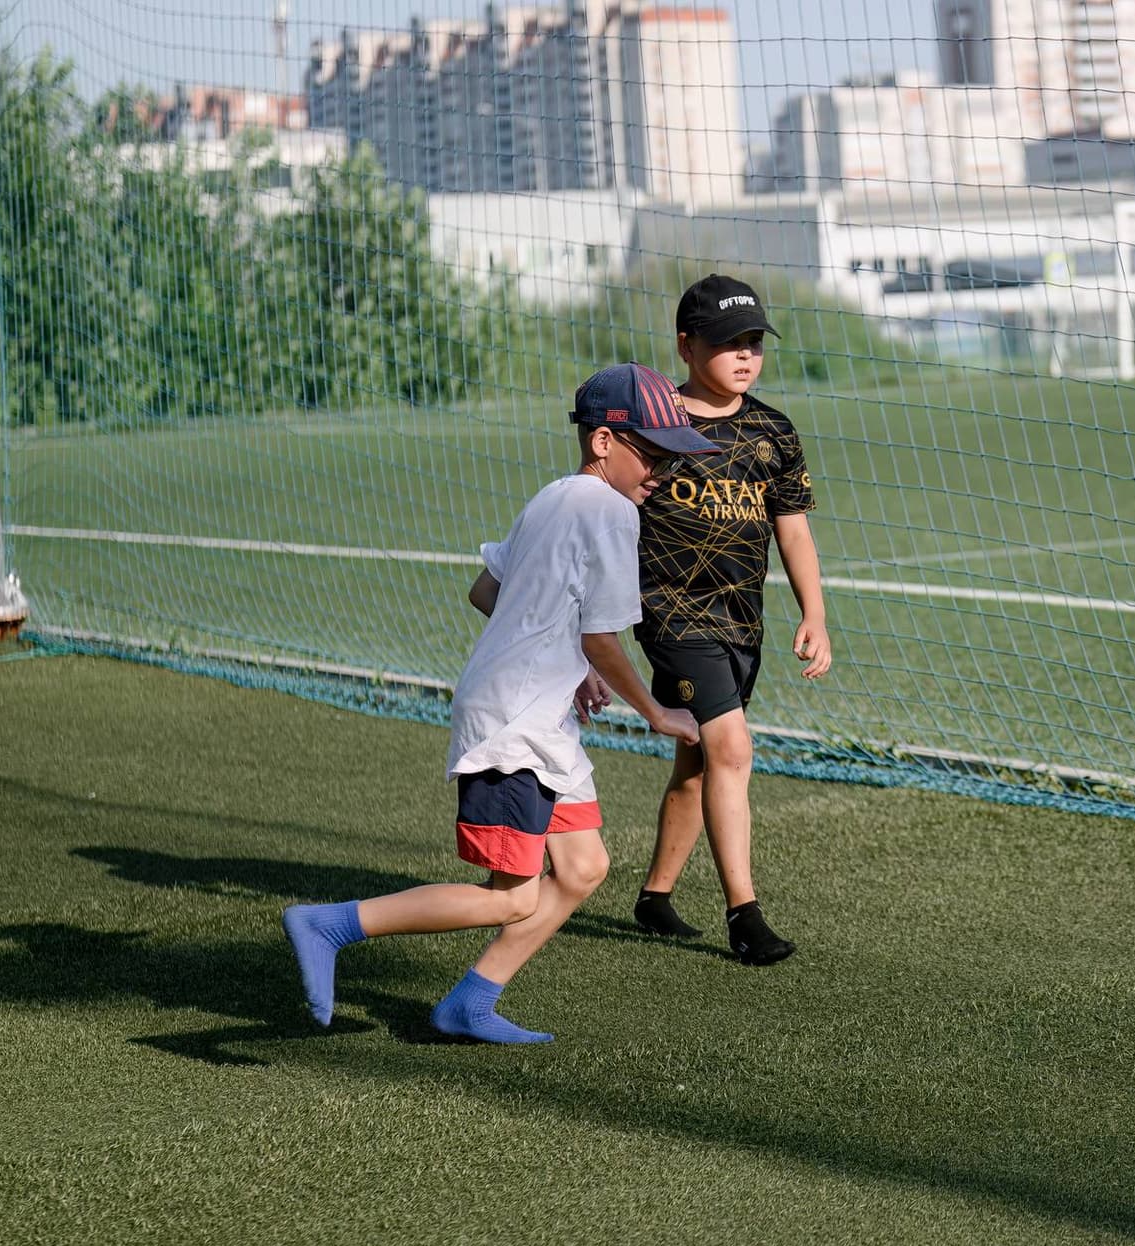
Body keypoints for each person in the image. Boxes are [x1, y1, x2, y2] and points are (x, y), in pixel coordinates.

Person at [283, 363, 719, 1043]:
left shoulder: (554, 496)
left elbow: (487, 592)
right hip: (514, 724)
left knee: (584, 867)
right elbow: (600, 636)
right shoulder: (611, 511)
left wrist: (560, 662)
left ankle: (469, 1003)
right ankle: (332, 925)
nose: (661, 470)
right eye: (652, 452)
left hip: (534, 715)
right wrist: (656, 712)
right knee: (512, 894)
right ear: (603, 442)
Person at [628, 274, 832, 965]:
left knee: (697, 758)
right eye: (727, 344)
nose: (745, 356)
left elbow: (794, 531)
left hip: (742, 619)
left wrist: (817, 613)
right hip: (671, 615)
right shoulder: (651, 426)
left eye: (754, 344)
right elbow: (607, 510)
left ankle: (654, 898)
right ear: (686, 347)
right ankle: (745, 916)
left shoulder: (773, 430)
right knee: (733, 751)